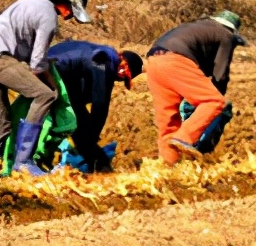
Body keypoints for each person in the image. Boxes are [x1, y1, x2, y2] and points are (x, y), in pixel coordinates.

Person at [0, 0, 91, 177]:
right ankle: (23, 162)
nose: (70, 17)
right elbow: (37, 66)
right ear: (67, 4)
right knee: (46, 95)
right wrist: (54, 86)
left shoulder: (31, 3)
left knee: (2, 121)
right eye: (72, 11)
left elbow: (22, 45)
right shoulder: (49, 17)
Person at [146, 11, 244, 163]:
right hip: (176, 60)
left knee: (168, 124)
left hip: (153, 62)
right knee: (214, 102)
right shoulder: (226, 35)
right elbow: (220, 74)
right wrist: (217, 97)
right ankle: (184, 138)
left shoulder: (200, 28)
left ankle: (167, 168)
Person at [46, 40, 144, 172]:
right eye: (123, 78)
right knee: (78, 124)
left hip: (57, 66)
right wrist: (91, 136)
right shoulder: (104, 61)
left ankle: (94, 162)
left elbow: (85, 95)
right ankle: (100, 167)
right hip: (54, 67)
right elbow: (100, 103)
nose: (119, 80)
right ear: (123, 68)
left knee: (81, 124)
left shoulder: (105, 56)